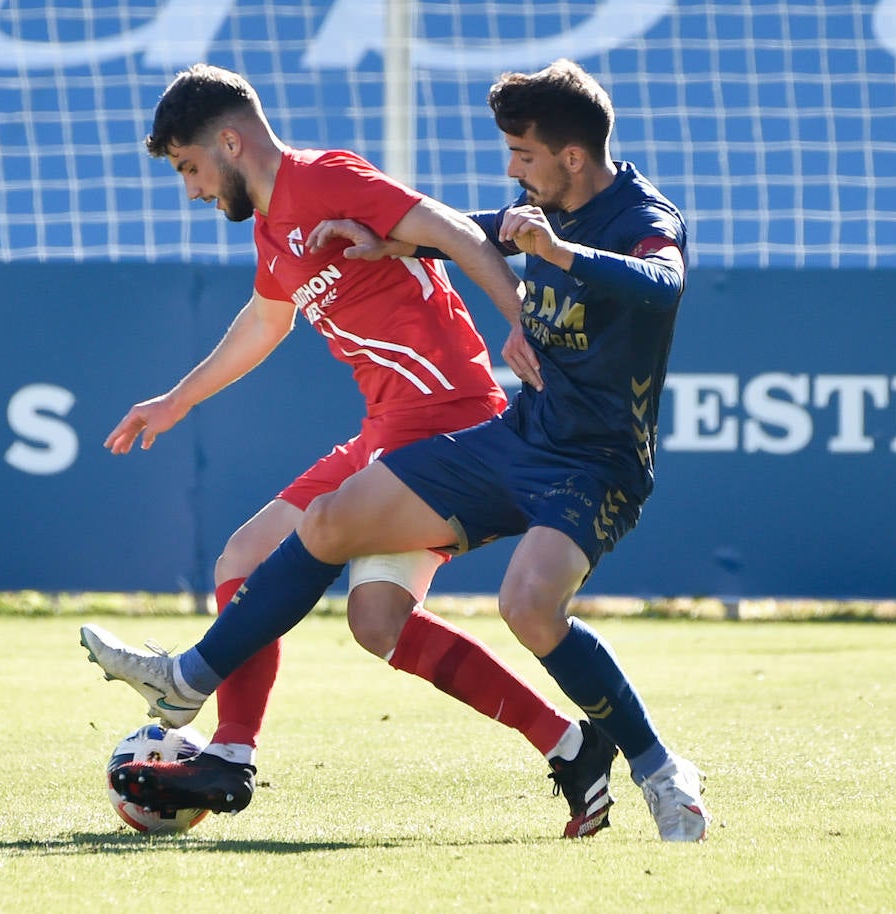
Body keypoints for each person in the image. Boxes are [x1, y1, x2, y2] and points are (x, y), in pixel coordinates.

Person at [85, 59, 711, 842]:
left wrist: (526, 292)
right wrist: (179, 397)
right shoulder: (284, 228)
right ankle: (570, 744)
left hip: (473, 422)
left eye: (190, 168)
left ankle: (216, 725)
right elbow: (282, 311)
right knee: (364, 609)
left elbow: (649, 276)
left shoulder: (332, 178)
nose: (192, 189)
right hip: (466, 429)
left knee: (502, 602)